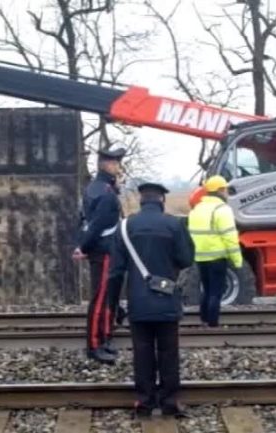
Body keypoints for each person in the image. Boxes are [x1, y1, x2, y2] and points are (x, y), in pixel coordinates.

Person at [106, 182, 194, 418]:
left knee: (142, 352)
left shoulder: (125, 227)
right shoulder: (174, 224)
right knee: (169, 352)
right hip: (167, 301)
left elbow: (115, 272)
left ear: (141, 201)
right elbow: (186, 259)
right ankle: (169, 402)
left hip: (138, 302)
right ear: (162, 200)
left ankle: (144, 403)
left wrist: (113, 306)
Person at [73, 147, 126, 364]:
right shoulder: (104, 192)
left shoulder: (100, 188)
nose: (118, 167)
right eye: (115, 163)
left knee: (106, 298)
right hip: (103, 250)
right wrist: (83, 247)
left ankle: (104, 339)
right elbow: (96, 225)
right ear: (106, 165)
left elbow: (85, 220)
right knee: (100, 299)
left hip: (104, 249)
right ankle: (94, 345)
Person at [186, 175, 243, 327]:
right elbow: (230, 237)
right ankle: (213, 323)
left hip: (201, 258)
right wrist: (237, 260)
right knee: (216, 292)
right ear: (220, 190)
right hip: (217, 257)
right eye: (225, 189)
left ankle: (204, 319)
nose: (226, 193)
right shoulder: (222, 210)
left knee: (206, 289)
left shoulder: (196, 209)